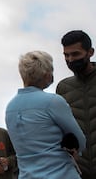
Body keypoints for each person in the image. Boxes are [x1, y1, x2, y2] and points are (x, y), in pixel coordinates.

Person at [6, 51, 86, 179]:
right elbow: (80, 141)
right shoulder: (53, 101)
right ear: (45, 74)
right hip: (61, 174)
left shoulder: (10, 107)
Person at [56, 30, 96, 179]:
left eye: (76, 54)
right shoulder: (63, 88)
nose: (71, 60)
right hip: (78, 172)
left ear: (90, 52)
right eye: (66, 55)